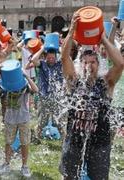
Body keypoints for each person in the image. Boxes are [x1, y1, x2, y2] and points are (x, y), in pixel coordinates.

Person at [60, 12, 124, 180]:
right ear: (80, 65)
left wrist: (102, 37)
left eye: (93, 62)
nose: (89, 65)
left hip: (99, 143)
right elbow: (64, 57)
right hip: (74, 141)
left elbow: (120, 64)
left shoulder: (106, 83)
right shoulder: (73, 81)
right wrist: (72, 29)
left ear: (99, 63)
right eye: (85, 62)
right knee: (69, 178)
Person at [0, 62, 38, 177]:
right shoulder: (5, 88)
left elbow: (36, 90)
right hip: (10, 119)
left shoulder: (25, 86)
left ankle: (24, 166)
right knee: (8, 142)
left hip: (24, 119)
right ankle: (7, 163)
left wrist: (26, 76)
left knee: (25, 143)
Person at [29, 45, 64, 139]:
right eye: (49, 57)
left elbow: (66, 57)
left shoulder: (60, 64)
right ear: (45, 57)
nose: (51, 59)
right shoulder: (42, 64)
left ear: (56, 57)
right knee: (41, 121)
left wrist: (59, 48)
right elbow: (33, 60)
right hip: (44, 97)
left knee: (59, 122)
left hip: (57, 97)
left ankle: (65, 140)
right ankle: (38, 138)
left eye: (53, 57)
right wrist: (42, 48)